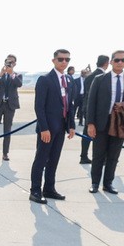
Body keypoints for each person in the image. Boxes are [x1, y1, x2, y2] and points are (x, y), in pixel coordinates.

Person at [29, 49, 76, 203]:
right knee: (41, 160)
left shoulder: (69, 80)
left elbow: (70, 105)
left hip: (61, 128)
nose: (64, 62)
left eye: (67, 59)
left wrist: (71, 125)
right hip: (47, 129)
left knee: (54, 160)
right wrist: (44, 128)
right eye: (61, 59)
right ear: (53, 60)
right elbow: (39, 107)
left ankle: (49, 188)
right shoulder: (45, 79)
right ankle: (35, 190)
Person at [84, 50, 124, 194]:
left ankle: (108, 183)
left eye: (123, 60)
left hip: (120, 123)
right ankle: (95, 183)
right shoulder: (100, 79)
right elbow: (91, 102)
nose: (120, 63)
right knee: (98, 155)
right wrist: (90, 123)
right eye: (117, 60)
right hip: (102, 122)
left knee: (114, 155)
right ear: (111, 62)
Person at [80, 55, 109, 164]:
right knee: (102, 134)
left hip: (88, 108)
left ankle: (83, 156)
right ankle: (102, 158)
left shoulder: (89, 76)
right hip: (100, 110)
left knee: (86, 133)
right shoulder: (104, 77)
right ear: (106, 63)